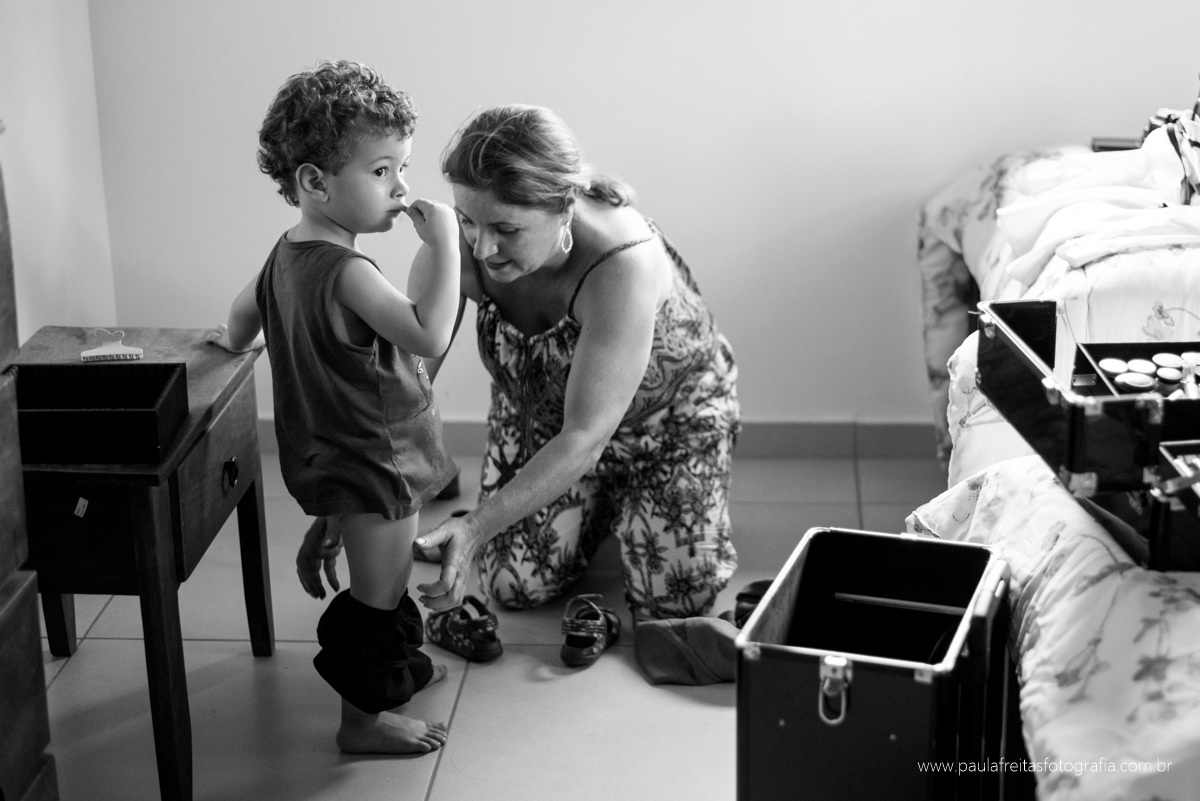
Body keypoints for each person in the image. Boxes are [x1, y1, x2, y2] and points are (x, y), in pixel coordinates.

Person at [206, 60, 460, 755]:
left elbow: (241, 316)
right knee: (380, 595)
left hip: (335, 452)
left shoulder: (286, 254)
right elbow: (430, 333)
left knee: (380, 576)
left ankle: (399, 671)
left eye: (402, 168)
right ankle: (361, 722)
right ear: (316, 183)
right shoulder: (350, 272)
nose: (400, 187)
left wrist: (228, 343)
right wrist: (447, 246)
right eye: (381, 171)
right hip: (378, 462)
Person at [413, 104, 742, 625]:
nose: (484, 247)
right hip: (543, 417)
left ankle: (620, 500)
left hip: (664, 428)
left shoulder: (622, 264)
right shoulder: (461, 242)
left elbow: (585, 436)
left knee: (674, 604)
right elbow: (409, 381)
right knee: (511, 585)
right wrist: (359, 487)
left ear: (565, 207)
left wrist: (476, 526)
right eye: (469, 220)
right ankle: (599, 508)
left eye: (506, 228)